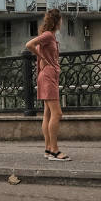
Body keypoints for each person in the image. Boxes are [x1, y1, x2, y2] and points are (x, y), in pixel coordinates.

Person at [25, 8, 70, 161]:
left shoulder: (49, 36)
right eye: (61, 19)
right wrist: (42, 56)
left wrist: (46, 58)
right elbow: (29, 44)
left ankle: (48, 149)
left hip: (48, 75)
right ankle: (54, 151)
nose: (62, 22)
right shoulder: (48, 35)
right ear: (57, 21)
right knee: (57, 113)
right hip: (48, 76)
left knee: (48, 114)